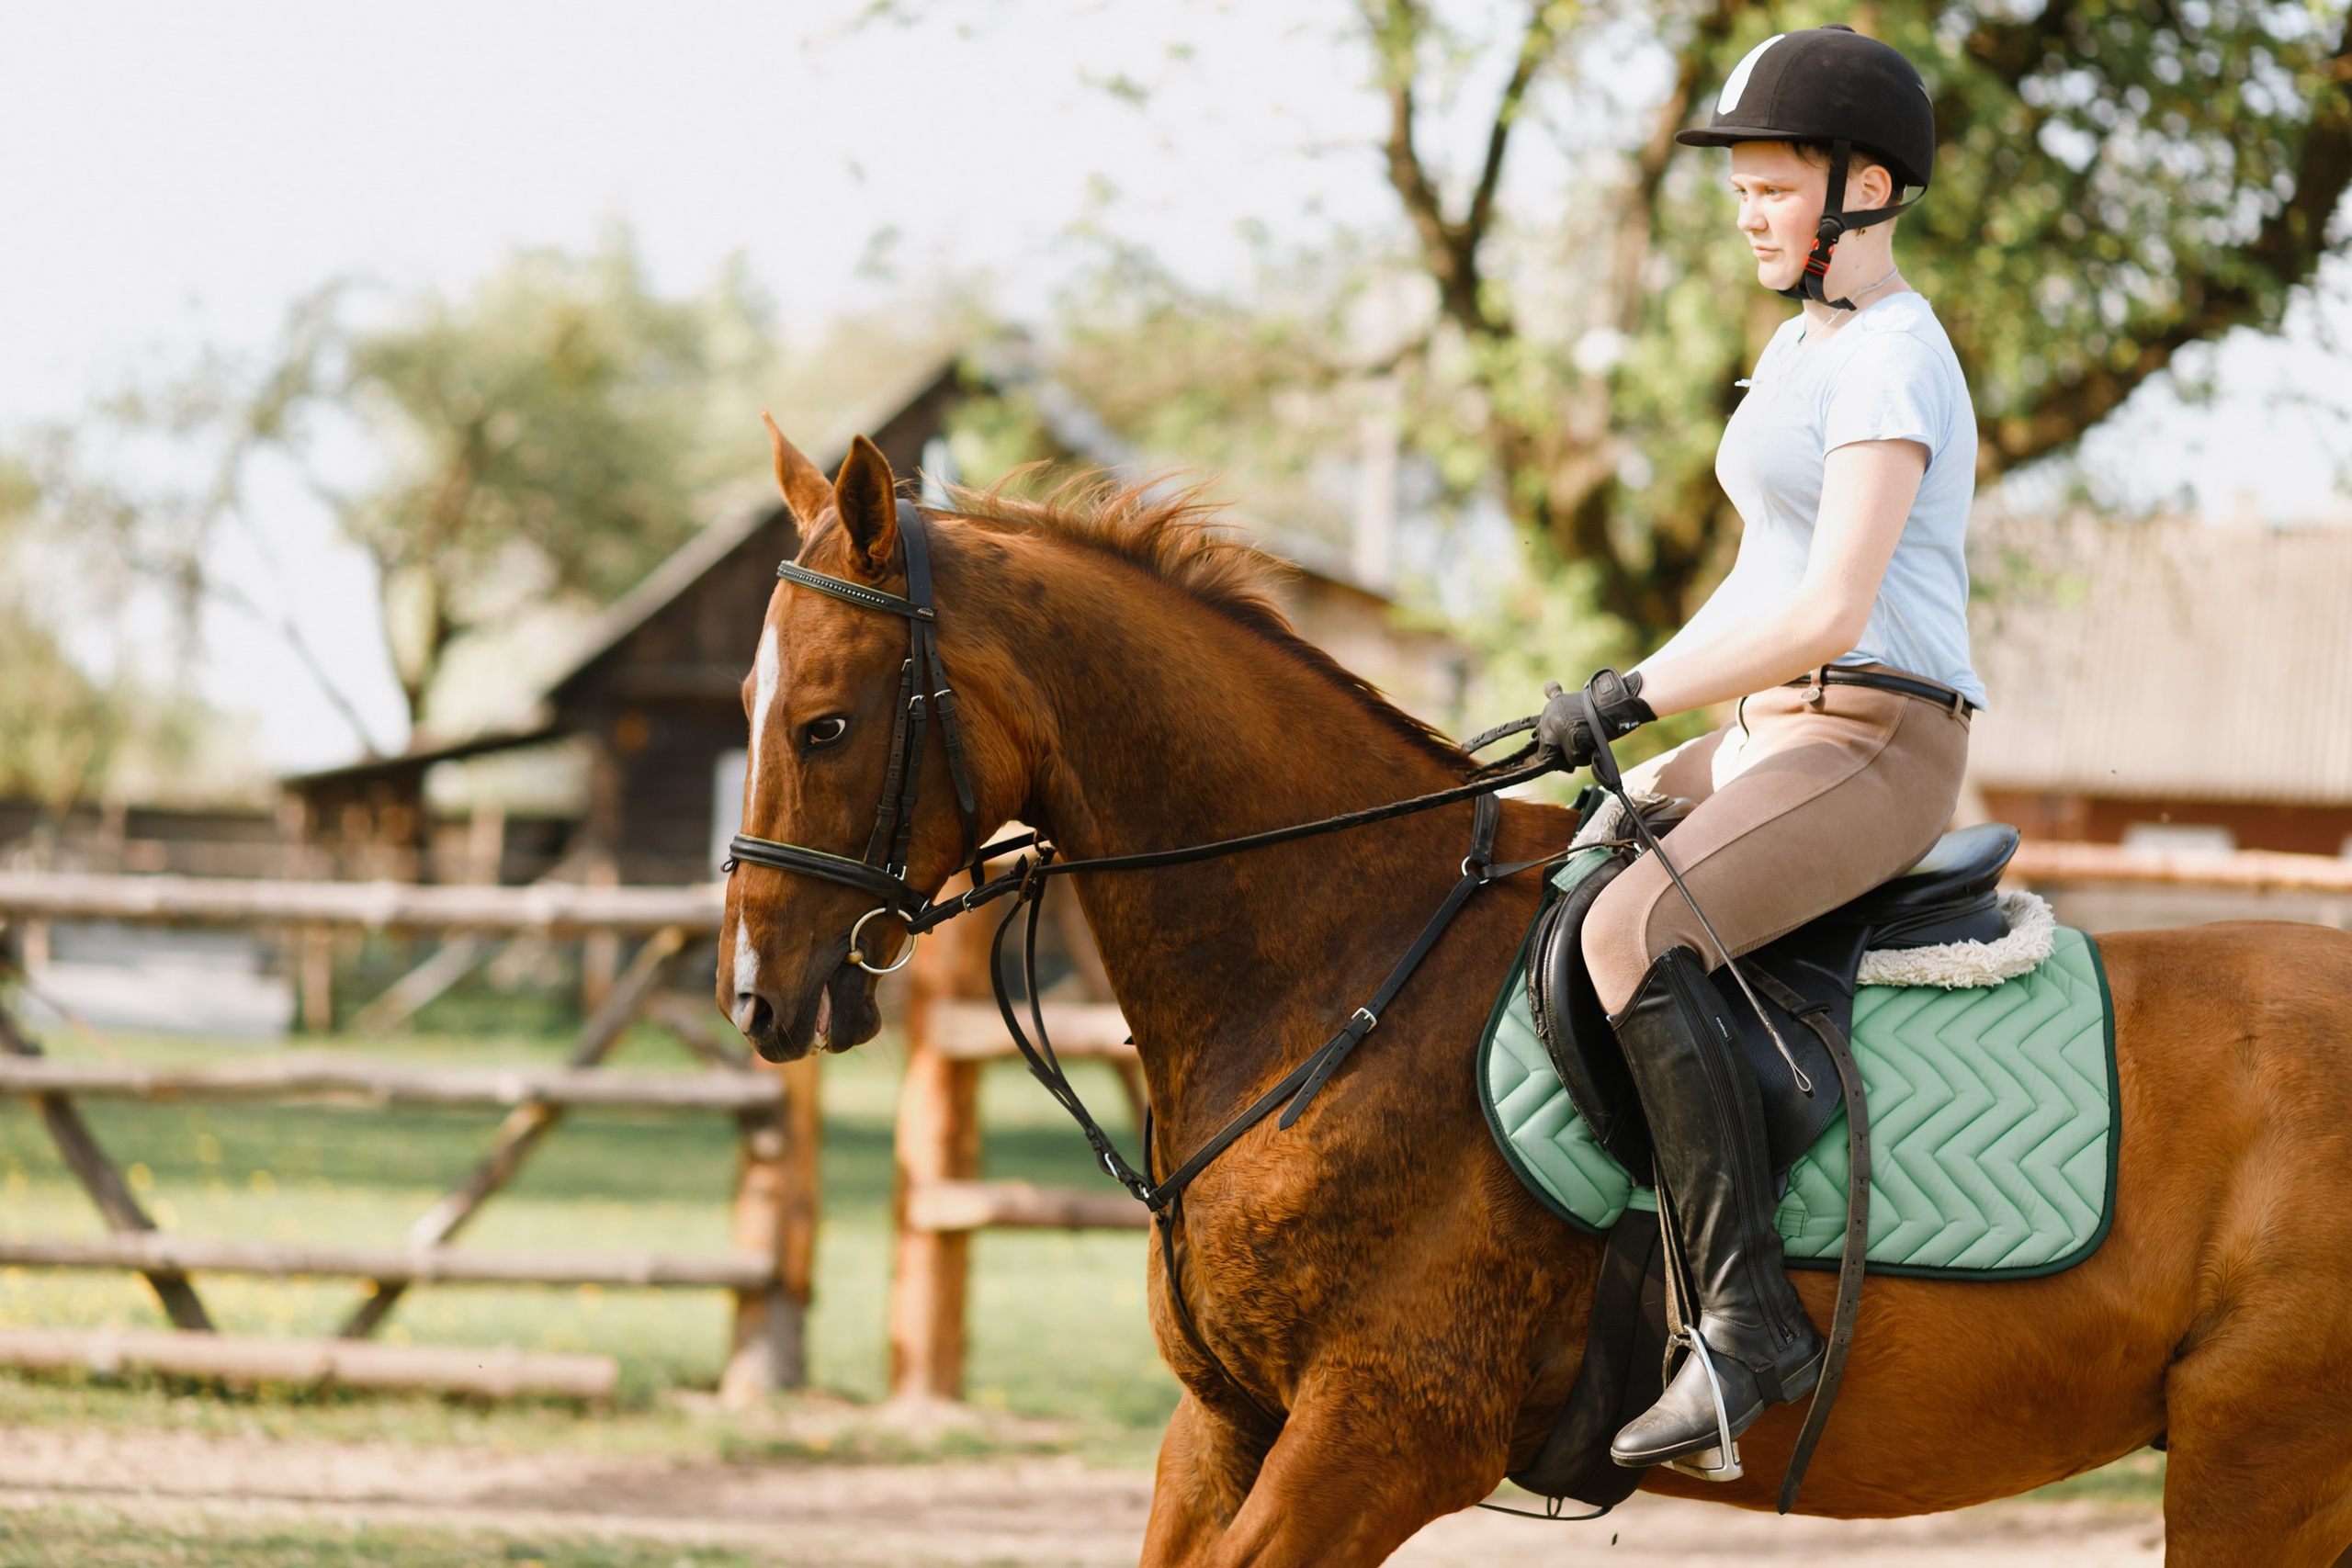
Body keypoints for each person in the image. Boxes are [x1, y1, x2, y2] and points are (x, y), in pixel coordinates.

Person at [1534, 25, 1983, 1472]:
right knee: (1550, 867)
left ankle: (1743, 1327)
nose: (1747, 215)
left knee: (1634, 926)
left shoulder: (1898, 359)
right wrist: (1622, 698)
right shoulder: (1802, 348)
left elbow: (1832, 605)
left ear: (1868, 186)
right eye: (1740, 194)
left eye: (1772, 189)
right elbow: (1757, 576)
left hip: (1876, 731)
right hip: (1770, 727)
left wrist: (1637, 690)